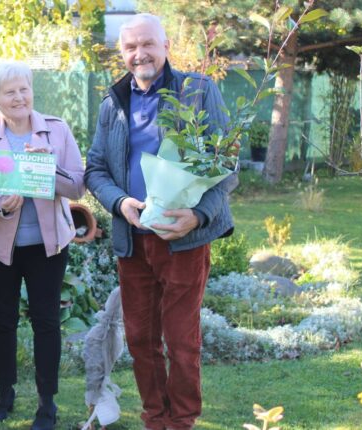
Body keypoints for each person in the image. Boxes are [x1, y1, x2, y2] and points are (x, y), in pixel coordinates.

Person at [84, 13, 236, 430]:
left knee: (181, 341)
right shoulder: (112, 103)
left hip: (183, 240)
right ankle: (155, 417)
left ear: (166, 46)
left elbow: (227, 164)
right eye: (130, 47)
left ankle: (182, 420)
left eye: (147, 44)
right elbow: (95, 168)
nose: (139, 54)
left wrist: (199, 215)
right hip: (133, 241)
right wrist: (119, 203)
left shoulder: (197, 91)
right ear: (122, 53)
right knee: (140, 340)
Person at [0, 60, 86, 430]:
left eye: (24, 89)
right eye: (9, 91)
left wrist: (51, 169)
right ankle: (4, 393)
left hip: (48, 246)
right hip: (0, 246)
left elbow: (78, 186)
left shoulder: (56, 131)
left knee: (47, 321)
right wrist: (0, 204)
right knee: (3, 320)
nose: (19, 97)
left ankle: (47, 402)